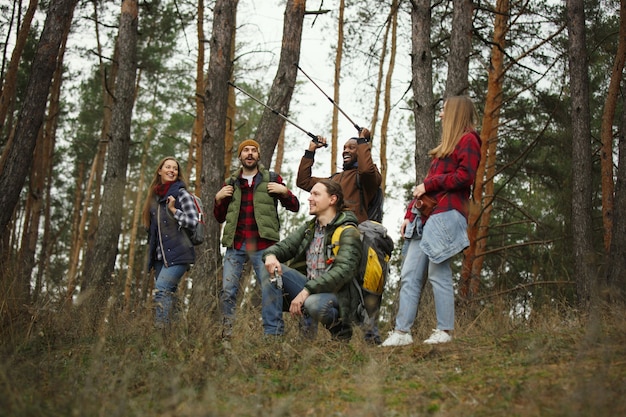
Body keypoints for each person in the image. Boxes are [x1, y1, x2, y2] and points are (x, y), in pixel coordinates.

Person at [381, 96, 482, 347]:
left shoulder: (469, 140)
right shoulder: (442, 150)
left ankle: (444, 331)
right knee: (409, 274)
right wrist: (408, 215)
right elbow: (423, 187)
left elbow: (465, 177)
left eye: (444, 111)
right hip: (423, 217)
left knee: (438, 272)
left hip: (446, 214)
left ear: (456, 113)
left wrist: (431, 184)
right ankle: (402, 333)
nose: (440, 115)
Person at [214, 139, 300, 338]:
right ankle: (227, 334)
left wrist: (285, 192)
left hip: (265, 246)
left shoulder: (271, 178)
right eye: (246, 150)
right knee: (228, 290)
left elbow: (294, 207)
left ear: (259, 156)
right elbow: (219, 217)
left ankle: (273, 335)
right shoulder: (231, 183)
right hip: (236, 245)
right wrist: (218, 199)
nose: (250, 153)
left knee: (271, 288)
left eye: (254, 150)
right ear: (240, 156)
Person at [262, 180, 362, 341]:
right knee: (272, 270)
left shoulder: (348, 231)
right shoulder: (310, 228)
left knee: (312, 302)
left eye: (316, 194)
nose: (309, 198)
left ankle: (341, 331)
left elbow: (343, 271)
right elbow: (284, 247)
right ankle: (273, 336)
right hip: (309, 290)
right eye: (310, 194)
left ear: (332, 200)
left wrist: (306, 291)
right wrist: (271, 256)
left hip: (338, 296)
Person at [142, 157, 199, 328]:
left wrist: (174, 210)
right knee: (171, 295)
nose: (171, 170)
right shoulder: (154, 197)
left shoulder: (182, 194)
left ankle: (160, 334)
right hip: (160, 257)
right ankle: (179, 334)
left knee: (162, 291)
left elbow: (193, 221)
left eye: (175, 168)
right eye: (168, 167)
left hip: (179, 254)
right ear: (160, 171)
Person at [296, 128, 382, 224]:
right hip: (330, 231)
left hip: (354, 232)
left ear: (361, 151)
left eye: (351, 147)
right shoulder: (334, 179)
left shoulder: (369, 176)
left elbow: (366, 170)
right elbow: (303, 182)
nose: (345, 151)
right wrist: (311, 151)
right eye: (344, 148)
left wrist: (362, 139)